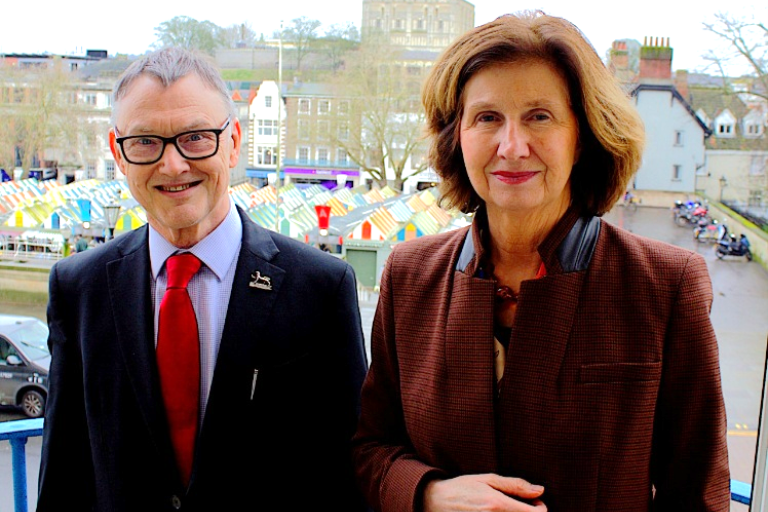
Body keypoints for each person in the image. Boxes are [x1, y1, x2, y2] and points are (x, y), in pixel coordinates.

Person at [352, 11, 730, 512]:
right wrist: (429, 493)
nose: (512, 146)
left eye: (539, 116)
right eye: (487, 118)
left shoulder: (663, 285)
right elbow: (369, 451)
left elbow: (697, 495)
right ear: (456, 135)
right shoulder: (409, 274)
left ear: (583, 136)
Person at [38, 48, 368, 512]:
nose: (173, 165)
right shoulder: (78, 287)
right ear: (118, 153)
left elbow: (345, 477)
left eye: (195, 138)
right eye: (146, 142)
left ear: (233, 142)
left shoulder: (319, 287)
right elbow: (64, 473)